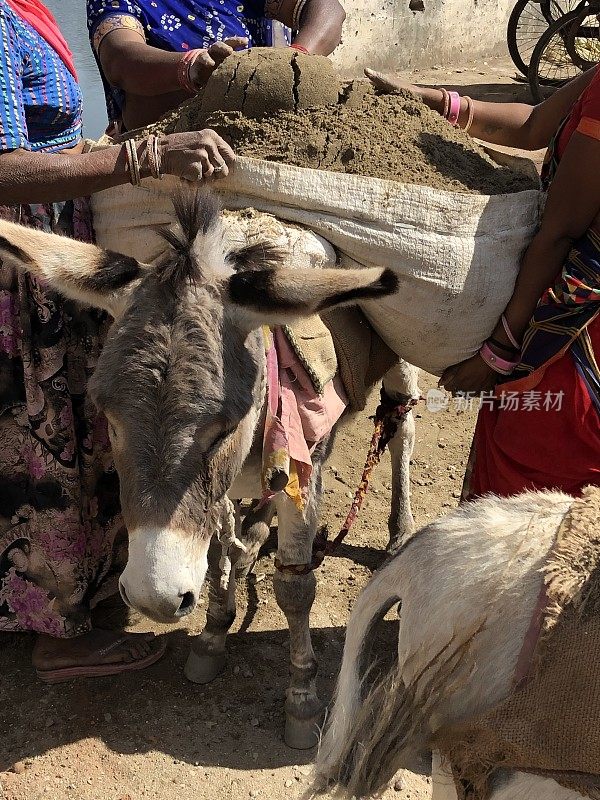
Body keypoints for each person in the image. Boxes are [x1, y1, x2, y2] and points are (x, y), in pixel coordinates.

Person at [0, 0, 235, 682]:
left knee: (77, 421)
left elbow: (48, 136)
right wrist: (143, 156)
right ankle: (58, 629)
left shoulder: (28, 12)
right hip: (27, 255)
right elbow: (5, 167)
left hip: (55, 232)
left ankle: (80, 586)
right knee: (49, 439)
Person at [366, 66, 600, 498]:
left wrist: (499, 352)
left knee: (534, 509)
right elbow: (534, 124)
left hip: (577, 342)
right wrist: (429, 99)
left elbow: (558, 232)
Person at [86, 0, 346, 132]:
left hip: (266, 127)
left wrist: (292, 61)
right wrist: (193, 68)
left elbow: (327, 9)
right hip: (170, 148)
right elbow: (120, 59)